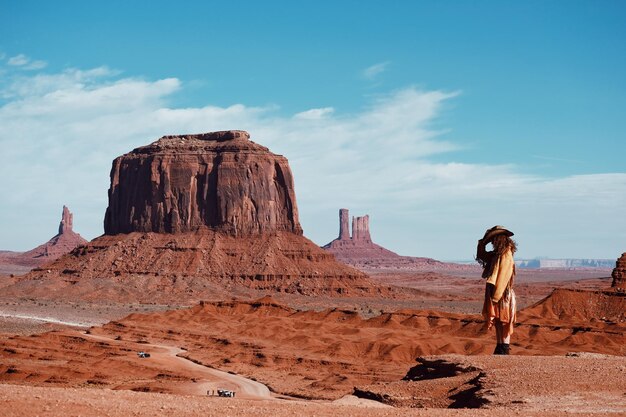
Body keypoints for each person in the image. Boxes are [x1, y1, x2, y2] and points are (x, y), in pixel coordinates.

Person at [476, 225, 517, 355]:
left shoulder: (506, 254)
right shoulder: (496, 255)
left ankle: (504, 348)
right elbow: (481, 255)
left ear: (499, 239)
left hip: (502, 294)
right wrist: (482, 242)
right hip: (496, 293)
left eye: (494, 239)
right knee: (499, 321)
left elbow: (504, 277)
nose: (493, 242)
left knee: (504, 321)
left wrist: (495, 297)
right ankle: (500, 347)